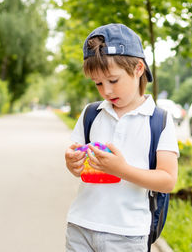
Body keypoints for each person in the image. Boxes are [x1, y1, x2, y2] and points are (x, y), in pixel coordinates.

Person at [64, 23, 179, 252]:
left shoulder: (159, 120)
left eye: (113, 81)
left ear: (138, 69)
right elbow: (78, 163)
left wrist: (121, 170)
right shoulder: (91, 114)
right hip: (80, 225)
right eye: (98, 83)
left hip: (127, 234)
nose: (106, 91)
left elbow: (168, 180)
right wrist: (72, 163)